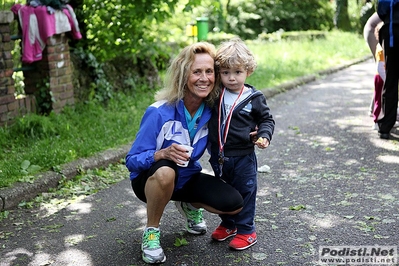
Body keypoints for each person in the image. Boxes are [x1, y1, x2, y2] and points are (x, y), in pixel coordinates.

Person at [125, 42, 244, 264]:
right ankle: (151, 233)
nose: (204, 78)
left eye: (209, 72)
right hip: (150, 179)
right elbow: (131, 161)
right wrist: (161, 154)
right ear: (183, 76)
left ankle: (187, 204)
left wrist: (253, 132)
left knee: (234, 204)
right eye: (196, 71)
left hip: (186, 176)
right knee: (165, 174)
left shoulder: (212, 112)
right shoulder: (159, 112)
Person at [207, 38, 275, 251]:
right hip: (219, 156)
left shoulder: (254, 97)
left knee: (245, 192)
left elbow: (267, 120)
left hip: (243, 156)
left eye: (237, 72)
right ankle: (228, 224)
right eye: (225, 72)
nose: (231, 78)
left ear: (248, 71)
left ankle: (247, 230)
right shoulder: (216, 94)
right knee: (223, 192)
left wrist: (264, 134)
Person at [376, 0, 399, 139]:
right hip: (391, 33)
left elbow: (381, 10)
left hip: (391, 34)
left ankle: (385, 127)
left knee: (390, 80)